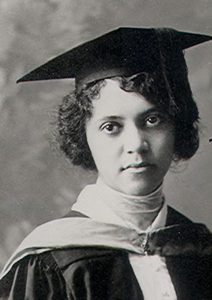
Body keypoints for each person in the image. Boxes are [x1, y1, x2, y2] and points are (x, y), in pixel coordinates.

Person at [0, 27, 212, 300]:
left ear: (177, 126)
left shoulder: (198, 249)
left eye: (152, 120)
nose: (136, 144)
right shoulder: (51, 261)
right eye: (111, 127)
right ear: (83, 136)